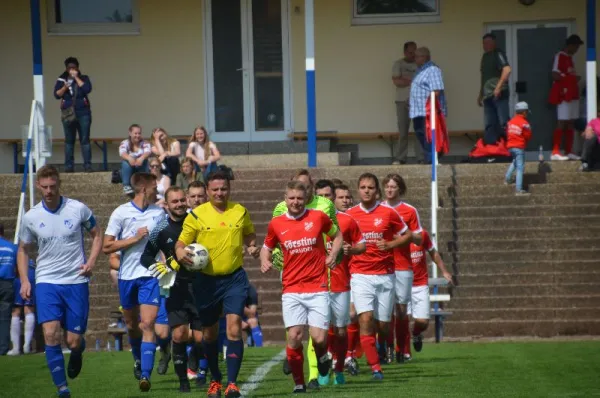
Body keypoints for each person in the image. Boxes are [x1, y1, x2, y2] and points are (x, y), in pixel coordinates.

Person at [17, 165, 103, 397]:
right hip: (46, 281)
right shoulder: (31, 216)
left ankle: (77, 351)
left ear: (59, 184)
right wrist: (25, 280)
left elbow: (97, 234)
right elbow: (23, 250)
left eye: (52, 186)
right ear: (38, 186)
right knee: (50, 334)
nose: (48, 191)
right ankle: (62, 389)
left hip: (76, 280)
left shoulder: (77, 209)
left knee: (73, 341)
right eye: (44, 187)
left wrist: (91, 262)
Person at [175, 171, 259, 398]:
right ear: (208, 191)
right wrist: (181, 253)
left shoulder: (240, 211)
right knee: (208, 335)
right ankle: (215, 379)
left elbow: (250, 234)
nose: (220, 193)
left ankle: (232, 384)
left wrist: (252, 247)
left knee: (233, 328)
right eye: (215, 189)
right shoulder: (197, 215)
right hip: (205, 282)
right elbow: (181, 243)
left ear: (229, 189)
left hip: (234, 278)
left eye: (224, 189)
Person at [261, 180, 344, 393]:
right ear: (285, 199)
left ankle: (323, 355)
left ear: (305, 197)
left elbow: (337, 236)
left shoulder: (318, 217)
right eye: (291, 198)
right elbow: (266, 246)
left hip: (317, 287)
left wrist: (333, 254)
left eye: (299, 198)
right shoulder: (276, 223)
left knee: (319, 338)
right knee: (295, 336)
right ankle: (299, 383)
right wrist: (265, 260)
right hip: (291, 289)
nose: (295, 202)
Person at [102, 172, 166, 392]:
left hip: (150, 275)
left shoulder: (159, 213)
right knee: (131, 325)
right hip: (127, 276)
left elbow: (164, 244)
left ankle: (145, 375)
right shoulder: (121, 213)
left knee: (147, 324)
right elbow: (106, 247)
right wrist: (134, 239)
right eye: (154, 186)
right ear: (143, 189)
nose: (157, 190)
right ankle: (138, 360)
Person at [346, 173, 412, 380]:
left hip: (385, 275)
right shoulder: (349, 215)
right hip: (360, 274)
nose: (367, 190)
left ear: (377, 191)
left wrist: (391, 244)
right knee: (364, 319)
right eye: (363, 187)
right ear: (358, 189)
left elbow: (408, 234)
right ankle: (375, 367)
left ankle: (384, 344)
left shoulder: (388, 212)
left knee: (383, 325)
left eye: (371, 187)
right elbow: (338, 238)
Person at [140, 186, 205, 392]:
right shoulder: (160, 229)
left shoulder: (198, 222)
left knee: (200, 338)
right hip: (176, 287)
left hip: (202, 286)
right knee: (178, 335)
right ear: (166, 205)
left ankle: (195, 355)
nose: (179, 205)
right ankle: (183, 382)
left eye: (181, 200)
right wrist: (159, 267)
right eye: (174, 202)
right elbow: (146, 256)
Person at [321, 185, 366, 386]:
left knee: (340, 330)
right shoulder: (309, 220)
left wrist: (351, 250)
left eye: (328, 195)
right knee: (319, 332)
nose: (325, 199)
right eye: (320, 195)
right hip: (316, 283)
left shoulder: (347, 220)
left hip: (340, 283)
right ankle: (321, 369)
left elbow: (362, 245)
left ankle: (339, 368)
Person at [382, 173, 423, 363]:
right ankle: (388, 348)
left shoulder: (409, 210)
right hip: (382, 265)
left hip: (403, 266)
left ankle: (403, 350)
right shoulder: (378, 208)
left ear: (400, 189)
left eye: (393, 186)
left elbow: (419, 237)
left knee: (401, 310)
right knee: (385, 312)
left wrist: (403, 236)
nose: (390, 189)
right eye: (387, 186)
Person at [408, 229, 452, 354]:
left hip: (420, 284)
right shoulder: (396, 235)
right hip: (402, 284)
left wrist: (444, 271)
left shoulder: (422, 234)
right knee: (402, 319)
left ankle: (416, 333)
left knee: (423, 322)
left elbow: (433, 253)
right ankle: (402, 352)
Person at [53, 57, 93, 173]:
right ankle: (69, 166)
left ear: (77, 68)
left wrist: (76, 77)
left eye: (74, 67)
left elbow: (87, 89)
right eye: (69, 68)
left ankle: (87, 165)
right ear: (66, 68)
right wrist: (65, 86)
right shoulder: (62, 79)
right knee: (69, 141)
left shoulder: (84, 78)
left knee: (85, 140)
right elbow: (56, 95)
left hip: (83, 113)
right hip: (68, 113)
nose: (71, 70)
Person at [409, 47, 447, 164]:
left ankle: (432, 159)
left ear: (424, 57)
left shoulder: (432, 69)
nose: (414, 59)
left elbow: (436, 90)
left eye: (416, 56)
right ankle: (429, 158)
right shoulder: (420, 70)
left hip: (428, 111)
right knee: (421, 135)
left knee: (429, 136)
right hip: (417, 111)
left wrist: (431, 107)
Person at [549, 34, 584, 161]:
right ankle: (556, 151)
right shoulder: (560, 56)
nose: (576, 49)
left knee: (571, 122)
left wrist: (573, 79)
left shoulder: (570, 59)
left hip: (572, 94)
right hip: (564, 95)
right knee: (562, 121)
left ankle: (569, 150)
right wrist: (569, 79)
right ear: (570, 45)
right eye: (575, 46)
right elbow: (555, 75)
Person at [392, 41, 422, 164]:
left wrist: (405, 80)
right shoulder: (398, 64)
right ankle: (400, 158)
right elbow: (396, 81)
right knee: (403, 131)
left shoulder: (420, 65)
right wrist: (413, 81)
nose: (413, 54)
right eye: (410, 52)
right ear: (404, 52)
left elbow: (423, 82)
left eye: (415, 52)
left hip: (418, 101)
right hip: (401, 101)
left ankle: (421, 158)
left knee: (419, 131)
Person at [478, 33, 512, 145]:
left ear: (494, 43)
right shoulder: (485, 57)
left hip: (499, 94)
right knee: (490, 124)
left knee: (503, 122)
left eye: (488, 43)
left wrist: (498, 87)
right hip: (487, 95)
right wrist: (480, 94)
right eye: (484, 43)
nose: (485, 45)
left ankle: (510, 148)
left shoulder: (498, 54)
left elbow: (507, 70)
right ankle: (492, 150)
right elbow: (484, 76)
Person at [9, 258, 36, 356]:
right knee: (29, 309)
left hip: (19, 274)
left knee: (16, 311)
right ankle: (27, 346)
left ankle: (16, 348)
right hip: (31, 273)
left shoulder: (17, 249)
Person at [505, 102, 533, 195]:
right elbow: (528, 135)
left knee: (515, 162)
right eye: (527, 112)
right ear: (524, 112)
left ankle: (508, 179)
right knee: (520, 167)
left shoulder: (510, 122)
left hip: (510, 146)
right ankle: (518, 189)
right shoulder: (525, 123)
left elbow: (508, 133)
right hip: (519, 146)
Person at [120, 124, 152, 195]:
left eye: (139, 133)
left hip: (141, 167)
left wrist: (141, 158)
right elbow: (122, 153)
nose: (137, 135)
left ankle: (142, 183)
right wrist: (129, 158)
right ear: (130, 133)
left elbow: (148, 152)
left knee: (145, 161)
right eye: (135, 133)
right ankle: (126, 186)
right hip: (129, 168)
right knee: (125, 162)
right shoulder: (125, 143)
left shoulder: (145, 143)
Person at [0, 223, 17, 356]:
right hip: (7, 283)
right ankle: (3, 348)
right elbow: (17, 268)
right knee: (5, 318)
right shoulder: (12, 247)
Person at [242, 283, 263, 348]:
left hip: (245, 316)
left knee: (253, 321)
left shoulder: (250, 289)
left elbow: (252, 313)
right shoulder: (229, 289)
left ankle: (259, 348)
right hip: (230, 315)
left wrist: (238, 306)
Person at [580, 106, 600, 172]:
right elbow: (585, 133)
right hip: (596, 147)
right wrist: (587, 132)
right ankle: (584, 162)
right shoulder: (593, 121)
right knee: (591, 136)